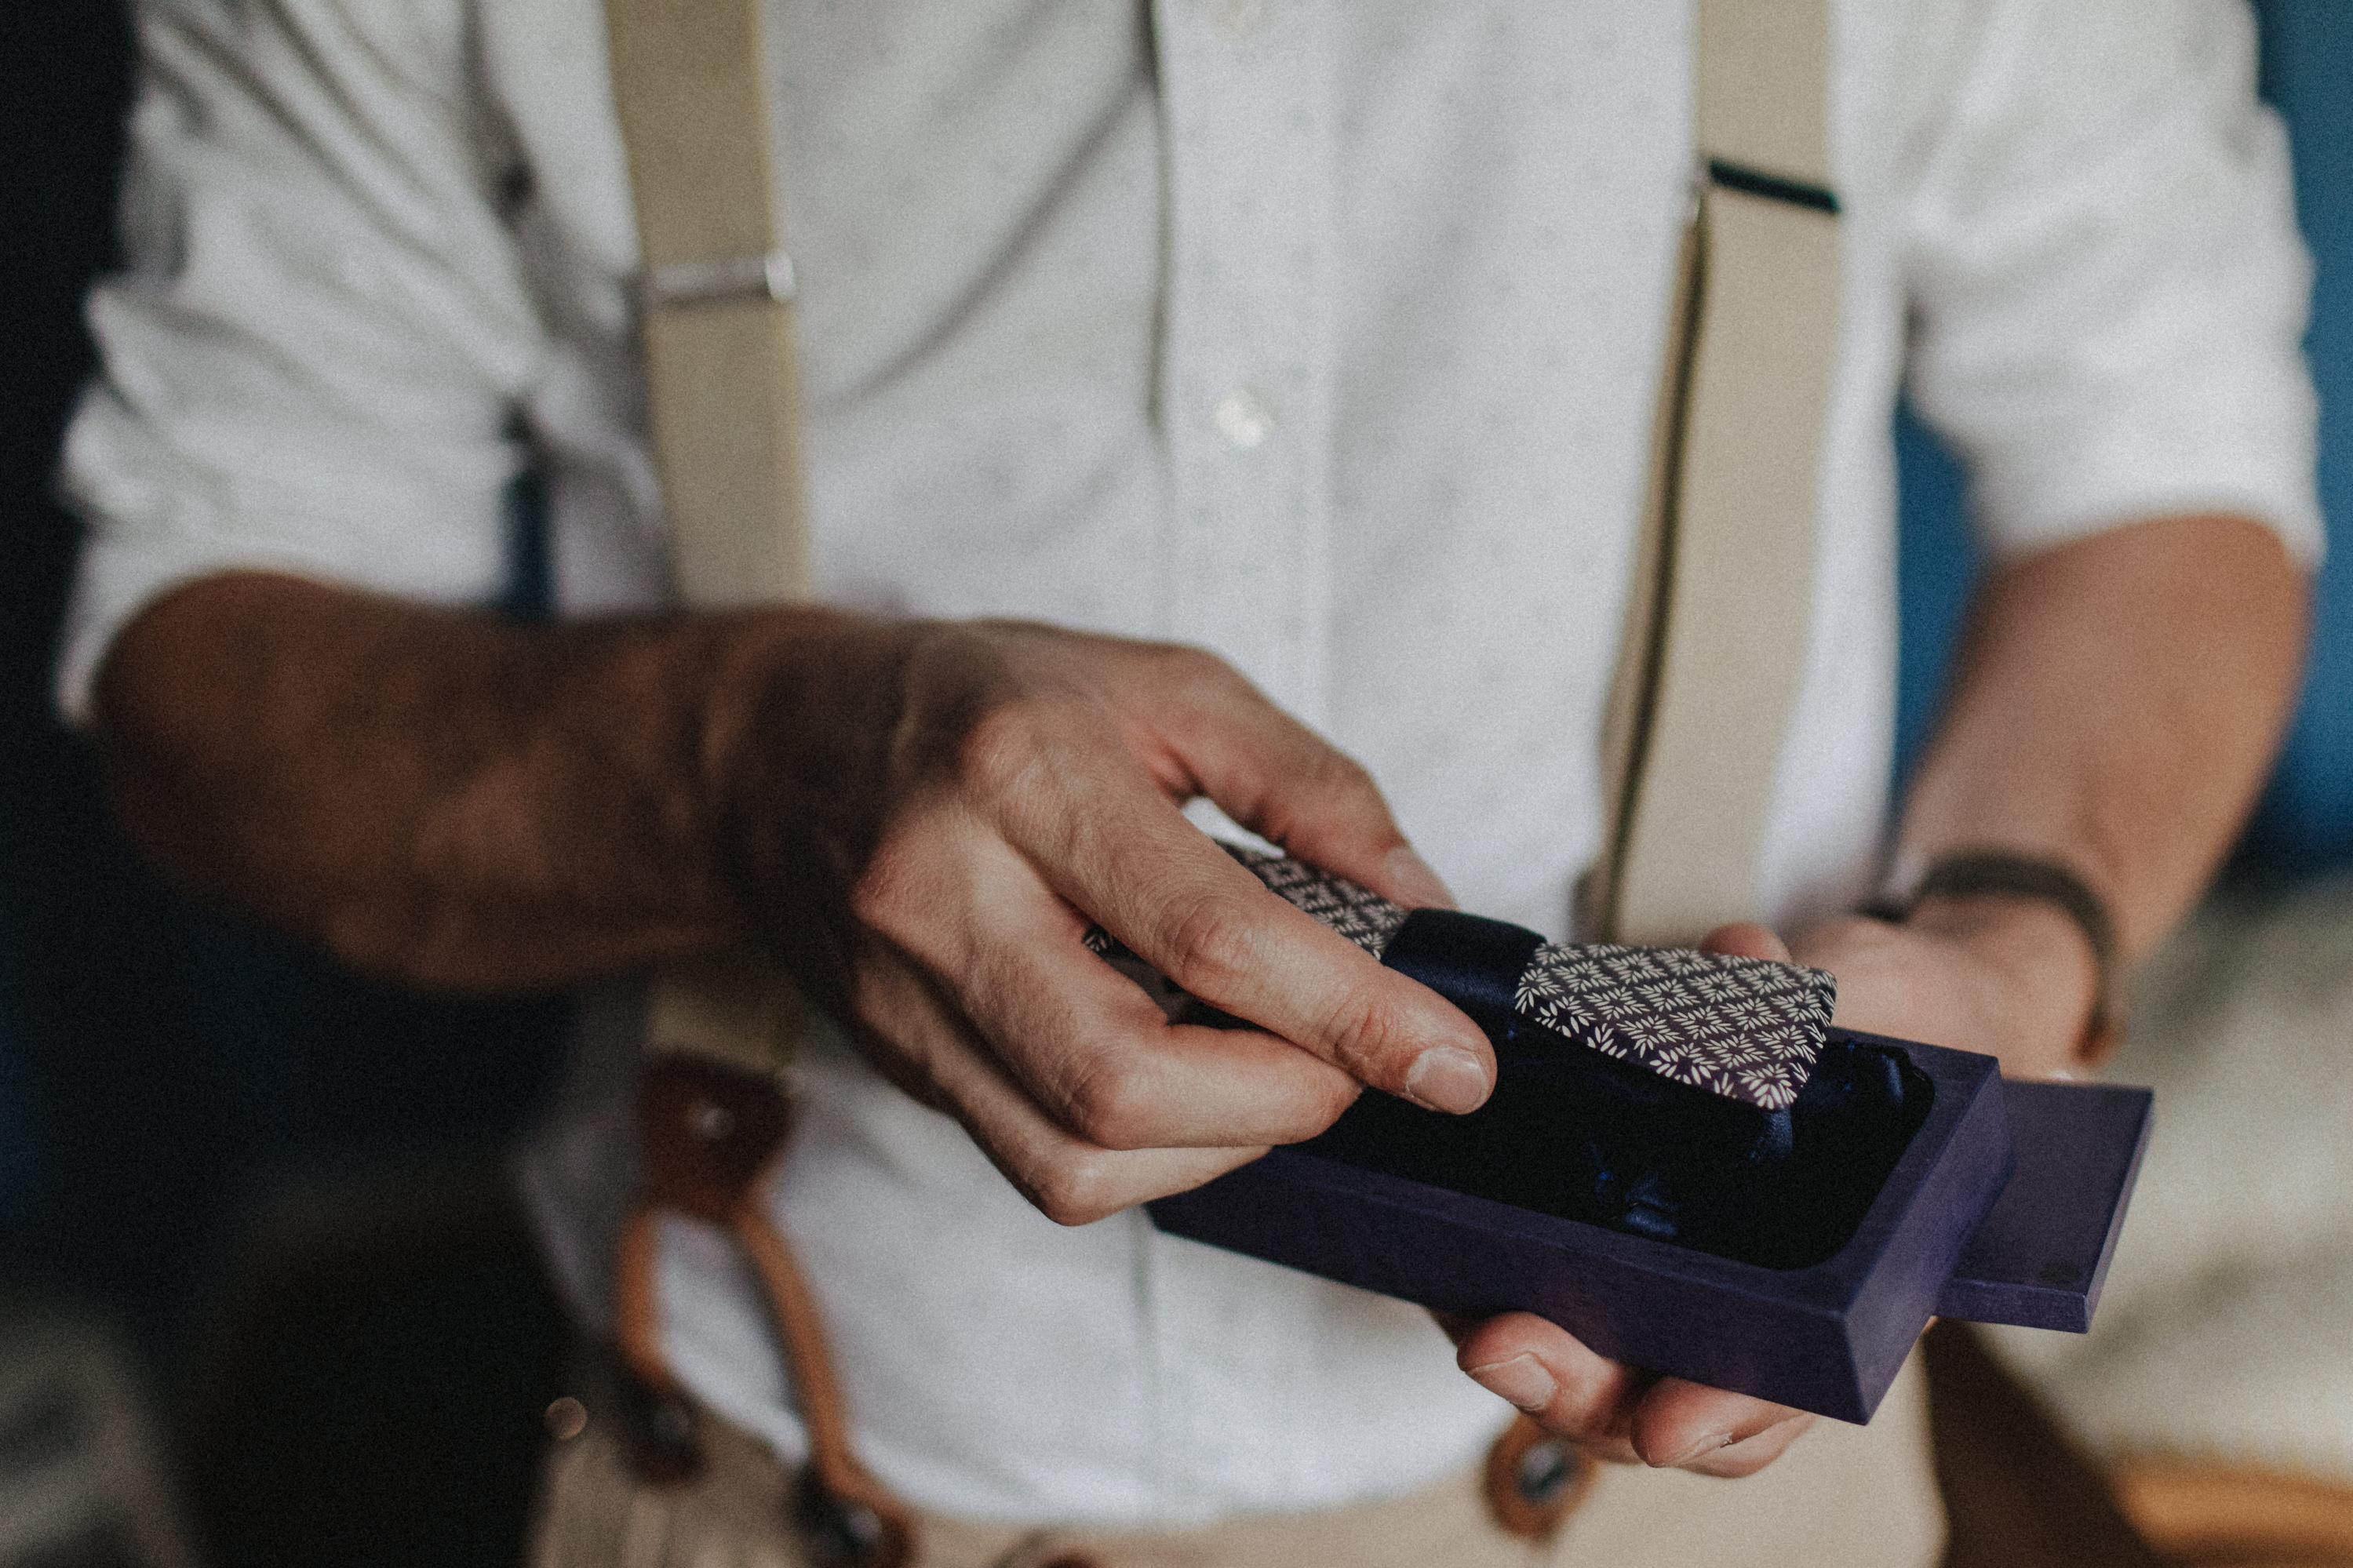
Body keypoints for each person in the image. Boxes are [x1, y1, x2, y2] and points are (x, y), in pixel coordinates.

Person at [60, 1, 2318, 1563]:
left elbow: (2174, 466)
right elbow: (201, 674)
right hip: (783, 1480)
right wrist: (748, 760)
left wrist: (2021, 940)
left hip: (1705, 1527)